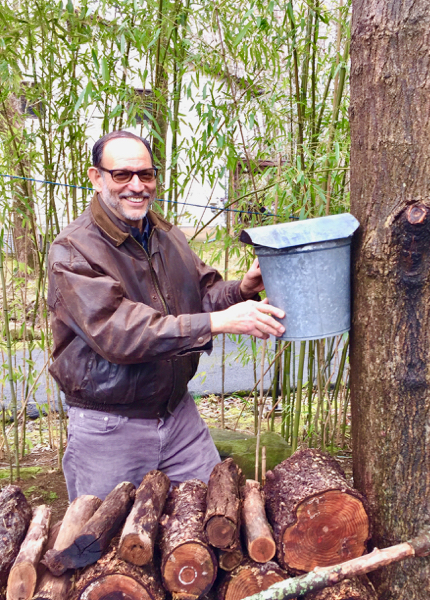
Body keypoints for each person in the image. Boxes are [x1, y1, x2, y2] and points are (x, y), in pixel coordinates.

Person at [48, 130, 285, 500]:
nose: (137, 186)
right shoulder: (73, 251)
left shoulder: (165, 235)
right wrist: (216, 323)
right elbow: (119, 332)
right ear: (97, 178)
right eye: (122, 175)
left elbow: (204, 294)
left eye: (146, 174)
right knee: (102, 542)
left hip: (177, 416)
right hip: (109, 426)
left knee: (214, 518)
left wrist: (244, 288)